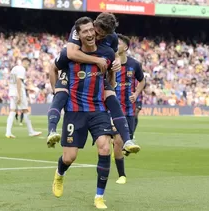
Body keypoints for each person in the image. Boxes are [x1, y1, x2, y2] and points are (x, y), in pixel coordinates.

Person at [47, 12, 140, 155]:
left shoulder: (112, 38)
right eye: (99, 32)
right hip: (73, 70)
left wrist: (115, 63)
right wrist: (97, 60)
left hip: (96, 74)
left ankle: (128, 140)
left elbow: (114, 55)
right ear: (94, 24)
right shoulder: (80, 29)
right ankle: (51, 131)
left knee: (112, 97)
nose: (98, 37)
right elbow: (71, 53)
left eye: (104, 35)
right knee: (60, 95)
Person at [50, 17, 115, 209]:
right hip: (74, 110)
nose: (90, 34)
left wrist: (110, 86)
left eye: (91, 31)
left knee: (105, 147)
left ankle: (99, 197)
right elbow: (52, 68)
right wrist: (57, 90)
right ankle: (59, 174)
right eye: (85, 31)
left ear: (96, 31)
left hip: (98, 109)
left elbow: (110, 71)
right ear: (79, 33)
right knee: (69, 157)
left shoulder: (108, 52)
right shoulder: (69, 53)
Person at [111, 34, 146, 184]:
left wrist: (136, 93)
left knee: (125, 140)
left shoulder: (134, 64)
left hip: (129, 109)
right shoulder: (110, 63)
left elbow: (142, 80)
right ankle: (122, 175)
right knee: (118, 140)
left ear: (125, 47)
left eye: (118, 43)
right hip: (113, 107)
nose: (115, 45)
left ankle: (121, 147)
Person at [5, 58, 41, 138]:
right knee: (25, 110)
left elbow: (13, 81)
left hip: (12, 91)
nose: (28, 66)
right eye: (28, 64)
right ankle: (31, 131)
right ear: (25, 62)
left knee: (12, 111)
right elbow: (18, 81)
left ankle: (8, 132)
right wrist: (19, 94)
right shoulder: (21, 69)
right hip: (18, 92)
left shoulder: (14, 68)